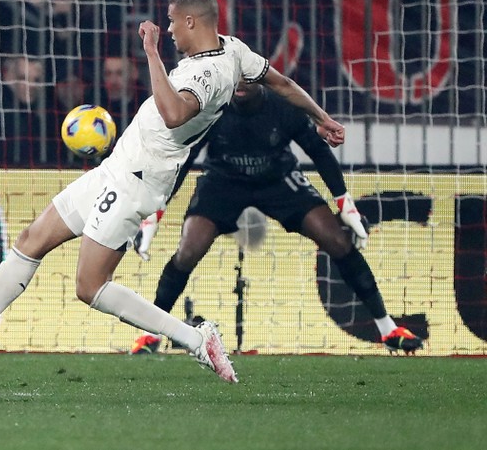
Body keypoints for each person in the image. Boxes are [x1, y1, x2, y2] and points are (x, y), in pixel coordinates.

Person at [0, 0, 346, 384]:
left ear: (192, 21)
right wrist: (321, 117)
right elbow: (281, 82)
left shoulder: (205, 73)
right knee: (31, 239)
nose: (169, 30)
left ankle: (195, 339)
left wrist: (151, 52)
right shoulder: (233, 51)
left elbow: (175, 114)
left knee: (89, 287)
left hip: (138, 180)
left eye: (172, 22)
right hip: (118, 167)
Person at [128, 80, 423, 356]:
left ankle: (388, 329)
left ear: (261, 80)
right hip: (223, 182)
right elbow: (184, 160)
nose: (241, 84)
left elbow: (318, 151)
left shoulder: (283, 107)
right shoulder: (212, 109)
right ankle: (153, 334)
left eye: (248, 77)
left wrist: (344, 202)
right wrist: (155, 212)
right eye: (236, 77)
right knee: (188, 250)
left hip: (278, 179)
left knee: (337, 240)